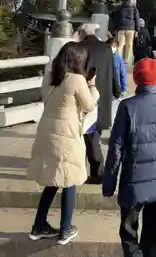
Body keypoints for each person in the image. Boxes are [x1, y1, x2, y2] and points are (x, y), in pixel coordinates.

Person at [102, 58, 156, 257]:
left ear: (136, 79)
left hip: (133, 181)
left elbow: (116, 149)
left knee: (128, 232)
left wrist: (109, 184)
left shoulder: (127, 107)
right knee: (151, 234)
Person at [27, 42, 99, 245]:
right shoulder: (76, 80)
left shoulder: (50, 76)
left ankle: (39, 225)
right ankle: (66, 229)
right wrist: (92, 85)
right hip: (66, 135)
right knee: (70, 179)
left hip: (46, 133)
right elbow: (89, 105)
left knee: (53, 180)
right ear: (78, 59)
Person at [78, 23, 121, 184]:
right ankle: (96, 170)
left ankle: (97, 172)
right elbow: (113, 72)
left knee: (89, 137)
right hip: (104, 99)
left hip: (87, 95)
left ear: (82, 33)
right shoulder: (106, 49)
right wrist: (117, 90)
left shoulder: (79, 48)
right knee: (94, 134)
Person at [114, 0, 140, 64]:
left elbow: (116, 19)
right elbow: (137, 19)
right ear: (130, 0)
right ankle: (126, 60)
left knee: (120, 45)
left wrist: (116, 28)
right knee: (129, 45)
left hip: (121, 28)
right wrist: (137, 29)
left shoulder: (120, 8)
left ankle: (117, 59)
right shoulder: (134, 9)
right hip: (130, 29)